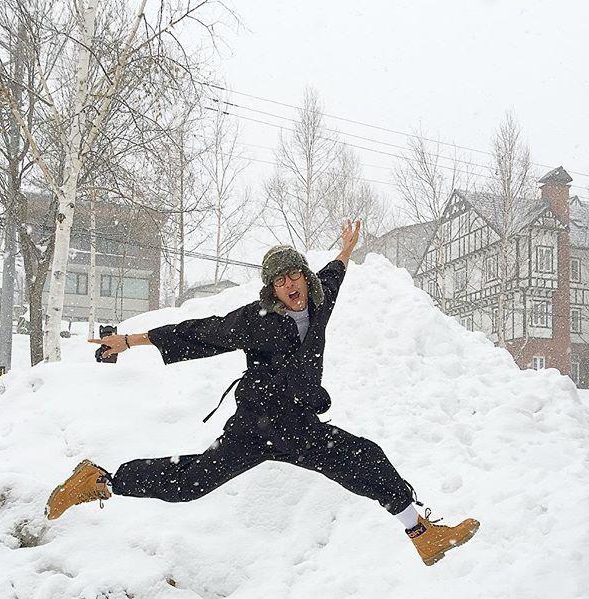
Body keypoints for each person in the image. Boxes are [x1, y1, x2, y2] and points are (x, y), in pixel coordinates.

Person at [46, 221, 479, 566]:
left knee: (364, 457)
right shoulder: (259, 321)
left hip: (296, 423)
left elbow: (334, 275)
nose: (289, 285)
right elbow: (202, 331)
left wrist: (345, 251)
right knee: (193, 482)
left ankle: (423, 537)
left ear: (305, 279)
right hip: (260, 424)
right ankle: (101, 480)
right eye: (279, 282)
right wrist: (131, 341)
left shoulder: (318, 303)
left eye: (295, 276)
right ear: (271, 290)